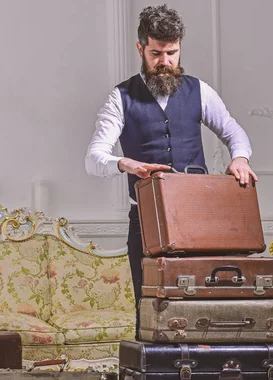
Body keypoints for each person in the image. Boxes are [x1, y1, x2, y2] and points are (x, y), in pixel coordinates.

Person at [85, 4, 258, 336]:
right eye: (156, 53)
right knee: (151, 310)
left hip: (201, 219)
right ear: (140, 49)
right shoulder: (120, 98)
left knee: (203, 307)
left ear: (179, 47)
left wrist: (240, 159)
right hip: (146, 222)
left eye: (171, 52)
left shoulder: (199, 91)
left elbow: (234, 132)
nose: (164, 62)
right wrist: (124, 163)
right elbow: (93, 158)